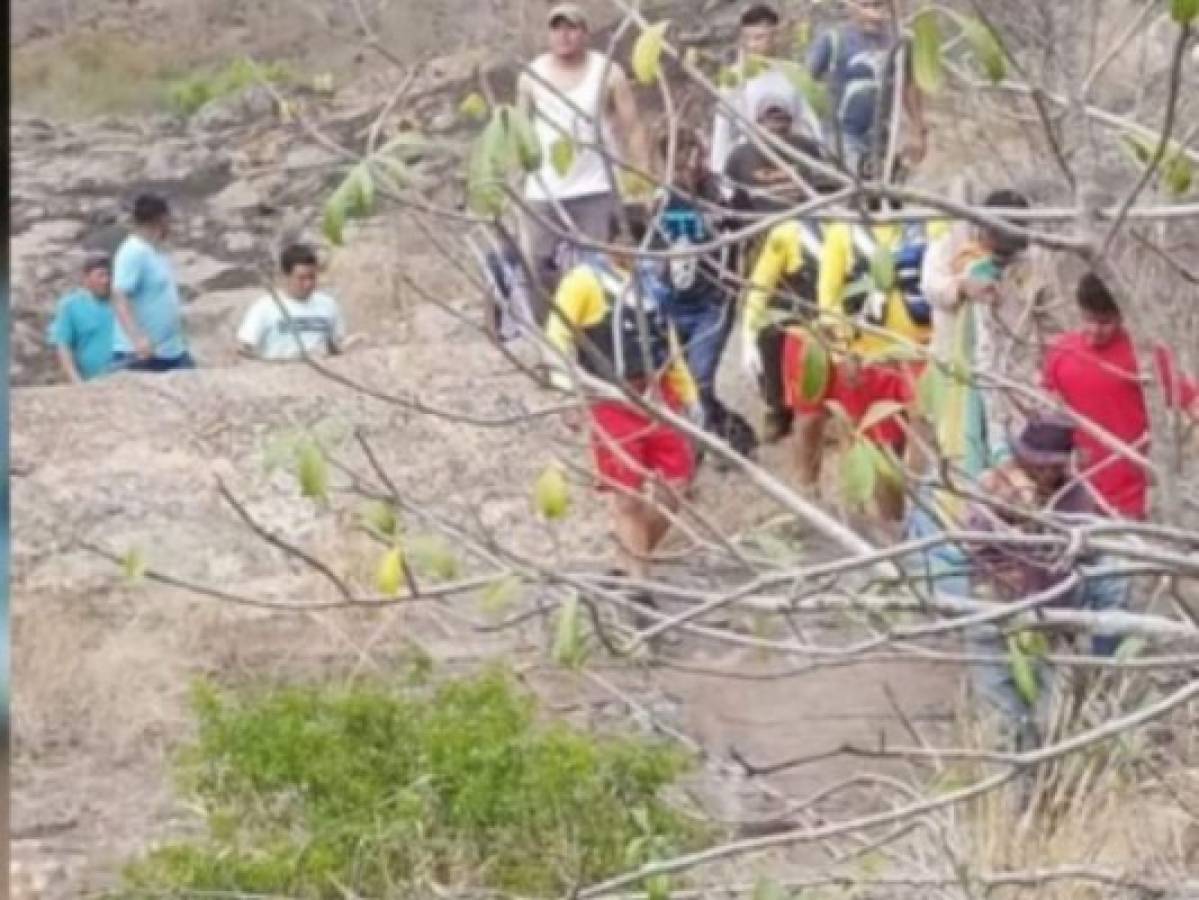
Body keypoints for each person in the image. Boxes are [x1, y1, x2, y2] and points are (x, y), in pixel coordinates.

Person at [743, 202, 947, 516]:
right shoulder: (793, 231)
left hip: (908, 347)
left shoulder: (923, 226)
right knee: (814, 419)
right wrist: (749, 335)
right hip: (814, 336)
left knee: (919, 430)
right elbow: (765, 287)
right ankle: (811, 491)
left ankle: (916, 509)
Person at [544, 213, 701, 603]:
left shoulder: (651, 283)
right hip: (610, 397)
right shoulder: (584, 281)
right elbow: (557, 335)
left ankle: (629, 558)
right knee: (626, 496)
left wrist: (689, 395)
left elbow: (668, 343)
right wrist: (567, 390)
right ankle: (639, 587)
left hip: (657, 395)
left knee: (677, 486)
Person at [962, 416, 1129, 749]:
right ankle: (1012, 794)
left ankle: (1050, 792)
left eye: (1053, 466)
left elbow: (1093, 553)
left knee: (1054, 721)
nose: (1044, 473)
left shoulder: (1077, 495)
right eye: (1036, 464)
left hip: (1055, 621)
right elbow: (973, 549)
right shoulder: (993, 487)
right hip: (997, 618)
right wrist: (1014, 516)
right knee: (1005, 723)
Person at [517, 2, 651, 318]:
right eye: (557, 28)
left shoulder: (608, 72)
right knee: (537, 268)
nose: (564, 36)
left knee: (600, 269)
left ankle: (598, 340)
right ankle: (550, 345)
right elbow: (519, 135)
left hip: (597, 188)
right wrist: (514, 185)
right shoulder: (531, 76)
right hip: (545, 191)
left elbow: (633, 128)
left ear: (585, 33)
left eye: (572, 28)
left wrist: (643, 181)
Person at [1042, 273, 1199, 520]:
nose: (1094, 331)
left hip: (1126, 501)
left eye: (1105, 322)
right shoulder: (1061, 350)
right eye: (1088, 320)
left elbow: (1191, 401)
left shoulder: (1146, 354)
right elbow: (1045, 405)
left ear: (1121, 316)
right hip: (1071, 492)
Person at [648, 129, 755, 458]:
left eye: (693, 157)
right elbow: (653, 248)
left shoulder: (726, 194)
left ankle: (703, 449)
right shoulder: (661, 199)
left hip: (713, 301)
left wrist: (736, 280)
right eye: (678, 162)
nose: (688, 167)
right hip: (672, 300)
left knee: (700, 379)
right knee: (680, 383)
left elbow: (748, 237)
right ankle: (730, 434)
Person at [919, 190, 1032, 480]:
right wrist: (962, 286)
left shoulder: (1027, 264)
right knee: (954, 445)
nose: (1004, 255)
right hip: (956, 363)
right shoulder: (952, 245)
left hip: (1010, 370)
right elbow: (931, 286)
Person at [807, 0, 928, 176]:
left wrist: (918, 131)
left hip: (881, 138)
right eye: (866, 6)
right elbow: (806, 81)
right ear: (851, 7)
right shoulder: (833, 40)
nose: (874, 14)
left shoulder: (899, 41)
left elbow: (909, 85)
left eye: (879, 5)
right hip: (841, 136)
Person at [709, 3, 823, 178]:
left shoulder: (793, 73)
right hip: (748, 162)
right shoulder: (734, 78)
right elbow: (723, 132)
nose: (752, 45)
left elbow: (810, 123)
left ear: (775, 36)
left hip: (790, 161)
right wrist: (720, 177)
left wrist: (819, 163)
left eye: (759, 38)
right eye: (747, 38)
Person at [111, 192, 195, 372]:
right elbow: (120, 296)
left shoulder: (157, 251)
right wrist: (138, 338)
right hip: (143, 353)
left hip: (172, 349)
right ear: (161, 220)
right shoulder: (133, 252)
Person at [723, 91, 841, 217]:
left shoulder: (806, 147)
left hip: (807, 216)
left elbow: (825, 186)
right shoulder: (740, 155)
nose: (776, 126)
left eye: (781, 120)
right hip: (765, 222)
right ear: (758, 124)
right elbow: (734, 198)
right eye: (770, 120)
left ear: (790, 124)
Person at [237, 243, 347, 361]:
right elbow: (244, 347)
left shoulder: (328, 305)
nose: (308, 284)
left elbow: (337, 345)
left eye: (312, 277)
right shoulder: (264, 307)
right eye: (301, 278)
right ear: (285, 276)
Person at [46, 253, 116, 383]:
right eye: (101, 275)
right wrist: (76, 381)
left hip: (124, 380)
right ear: (86, 278)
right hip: (90, 381)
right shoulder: (70, 306)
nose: (106, 280)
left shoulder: (120, 303)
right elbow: (63, 345)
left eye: (109, 275)